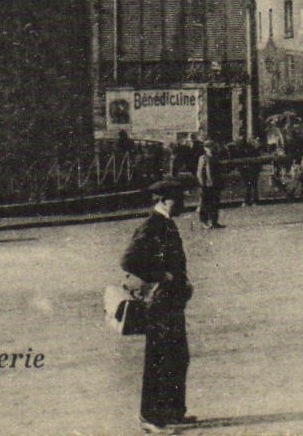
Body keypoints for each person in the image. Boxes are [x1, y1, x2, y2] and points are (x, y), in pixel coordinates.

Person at [121, 178, 196, 432]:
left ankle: (173, 411)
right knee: (159, 359)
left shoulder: (165, 223)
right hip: (160, 303)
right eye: (178, 199)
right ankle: (150, 418)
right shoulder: (152, 225)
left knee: (177, 357)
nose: (183, 204)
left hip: (172, 301)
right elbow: (128, 260)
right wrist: (161, 275)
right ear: (163, 200)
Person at [195, 142, 224, 229]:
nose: (211, 149)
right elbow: (199, 173)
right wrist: (202, 184)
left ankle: (214, 221)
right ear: (205, 148)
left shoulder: (215, 157)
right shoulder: (203, 158)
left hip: (215, 183)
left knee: (215, 203)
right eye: (209, 147)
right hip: (206, 185)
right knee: (205, 204)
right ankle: (204, 222)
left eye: (212, 147)